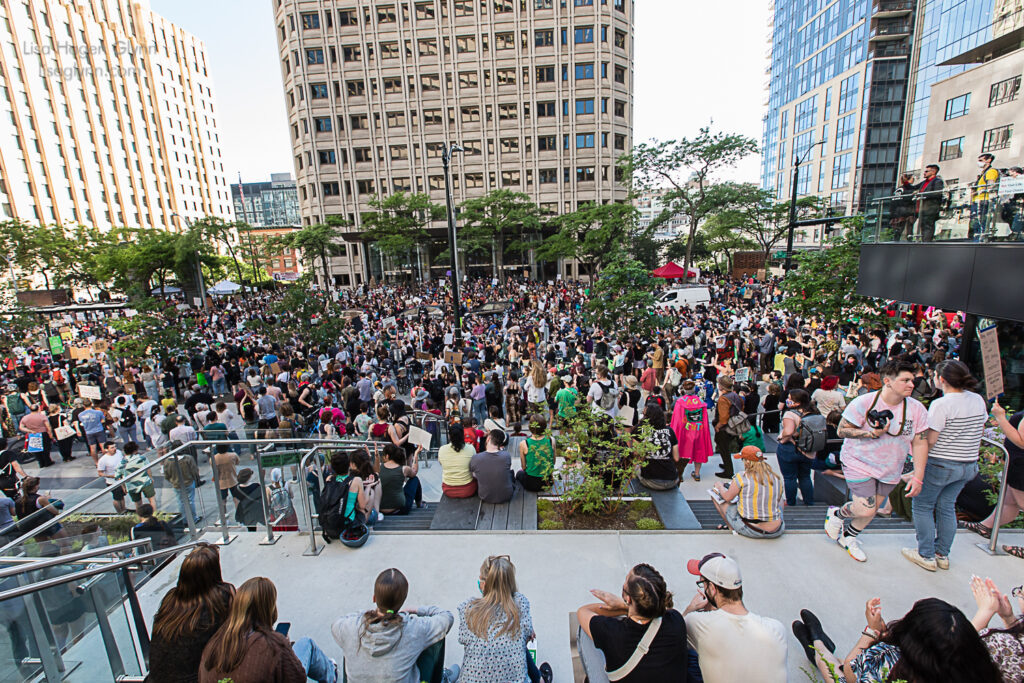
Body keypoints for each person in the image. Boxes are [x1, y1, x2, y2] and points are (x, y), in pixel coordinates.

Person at [825, 360, 929, 562]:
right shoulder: (864, 402)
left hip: (891, 467)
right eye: (905, 380)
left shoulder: (916, 409)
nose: (911, 385)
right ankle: (837, 514)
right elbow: (842, 430)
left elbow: (920, 443)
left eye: (912, 380)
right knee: (866, 508)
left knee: (871, 511)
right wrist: (870, 434)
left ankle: (849, 537)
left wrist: (918, 476)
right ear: (888, 381)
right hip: (859, 462)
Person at [793, 596, 1001, 683]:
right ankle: (818, 643)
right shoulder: (976, 668)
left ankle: (817, 645)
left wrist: (872, 631)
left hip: (855, 675)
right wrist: (986, 612)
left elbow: (850, 671)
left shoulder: (890, 661)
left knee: (835, 671)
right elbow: (954, 642)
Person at [904, 360, 986, 571]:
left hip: (941, 464)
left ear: (941, 379)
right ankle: (942, 554)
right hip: (968, 464)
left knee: (922, 506)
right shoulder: (977, 399)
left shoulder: (942, 404)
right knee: (947, 506)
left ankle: (926, 555)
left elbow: (930, 440)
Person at [200, 576, 337, 683]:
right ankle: (331, 674)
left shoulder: (214, 642)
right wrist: (285, 648)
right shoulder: (272, 645)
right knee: (306, 644)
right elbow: (297, 678)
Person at [332, 568, 457, 683]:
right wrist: (417, 609)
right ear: (402, 601)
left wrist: (368, 614)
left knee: (349, 640)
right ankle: (439, 679)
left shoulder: (352, 626)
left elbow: (337, 623)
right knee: (435, 637)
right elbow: (446, 618)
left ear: (374, 598)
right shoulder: (413, 628)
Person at [576, 563, 691, 682]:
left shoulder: (612, 633)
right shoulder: (676, 620)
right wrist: (629, 607)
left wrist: (622, 606)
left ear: (628, 598)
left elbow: (583, 611)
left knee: (584, 631)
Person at [682, 553, 787, 683]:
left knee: (688, 656)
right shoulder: (776, 628)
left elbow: (670, 634)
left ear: (713, 588)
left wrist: (690, 609)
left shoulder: (697, 623)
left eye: (702, 583)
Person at [458, 555, 550, 683]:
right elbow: (528, 635)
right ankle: (540, 679)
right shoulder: (520, 604)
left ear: (485, 584)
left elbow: (463, 638)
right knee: (517, 643)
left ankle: (539, 679)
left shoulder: (469, 609)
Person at [968, 399, 1024, 556]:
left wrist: (1000, 418)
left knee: (1019, 502)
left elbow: (1022, 441)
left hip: (1021, 466)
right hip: (1016, 464)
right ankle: (986, 526)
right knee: (1009, 502)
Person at [709, 446, 784, 538]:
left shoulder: (742, 477)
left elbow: (727, 497)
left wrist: (719, 486)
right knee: (778, 500)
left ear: (747, 462)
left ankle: (732, 528)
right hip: (777, 529)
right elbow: (779, 500)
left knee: (716, 494)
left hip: (752, 529)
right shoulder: (775, 477)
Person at [969, 575, 1024, 681]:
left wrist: (985, 612)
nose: (1018, 593)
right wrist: (1009, 619)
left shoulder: (999, 643)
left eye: (1021, 593)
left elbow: (958, 651)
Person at [775, 388, 821, 506]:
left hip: (790, 449)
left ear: (797, 402)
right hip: (809, 450)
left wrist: (782, 438)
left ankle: (791, 502)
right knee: (805, 476)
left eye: (790, 398)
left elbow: (788, 431)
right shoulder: (815, 412)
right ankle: (809, 501)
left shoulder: (790, 414)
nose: (787, 400)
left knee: (790, 478)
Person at [670, 380, 712, 482]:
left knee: (681, 452)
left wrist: (673, 433)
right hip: (698, 430)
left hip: (685, 432)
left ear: (684, 390)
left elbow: (677, 421)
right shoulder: (701, 402)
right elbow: (705, 421)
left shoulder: (680, 402)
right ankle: (697, 473)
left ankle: (680, 474)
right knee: (699, 451)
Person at [636, 405, 679, 490]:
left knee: (635, 467)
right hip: (671, 480)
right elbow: (676, 458)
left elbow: (637, 454)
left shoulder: (641, 431)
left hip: (650, 480)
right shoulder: (670, 431)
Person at [470, 429, 514, 504]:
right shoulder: (506, 456)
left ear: (488, 439)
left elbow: (474, 475)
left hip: (485, 496)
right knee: (510, 473)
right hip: (507, 495)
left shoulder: (476, 458)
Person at [379, 443, 422, 515]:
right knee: (415, 479)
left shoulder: (379, 467)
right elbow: (414, 471)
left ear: (387, 456)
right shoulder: (404, 469)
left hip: (380, 509)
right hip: (400, 510)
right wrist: (416, 454)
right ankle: (419, 504)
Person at [516, 414, 555, 493]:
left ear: (530, 427)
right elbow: (553, 462)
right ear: (544, 426)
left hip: (531, 484)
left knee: (519, 474)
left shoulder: (524, 443)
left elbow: (523, 467)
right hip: (547, 482)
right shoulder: (551, 440)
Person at [712, 376, 742, 479]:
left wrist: (717, 426)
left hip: (725, 428)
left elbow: (724, 418)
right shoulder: (735, 395)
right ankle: (727, 465)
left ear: (722, 386)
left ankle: (728, 471)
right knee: (726, 447)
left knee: (723, 448)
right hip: (734, 425)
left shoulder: (723, 399)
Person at [439, 423, 478, 499]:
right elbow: (474, 466)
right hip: (468, 489)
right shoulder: (471, 448)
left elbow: (441, 463)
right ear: (463, 435)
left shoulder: (442, 449)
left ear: (449, 436)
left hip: (448, 490)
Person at [115, 442, 157, 511]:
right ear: (135, 450)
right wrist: (151, 478)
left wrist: (123, 486)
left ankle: (141, 518)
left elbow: (118, 476)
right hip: (145, 482)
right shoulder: (142, 458)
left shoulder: (121, 463)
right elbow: (148, 469)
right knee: (152, 500)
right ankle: (154, 516)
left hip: (131, 485)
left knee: (138, 504)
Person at [971, 153, 1000, 241]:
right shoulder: (983, 173)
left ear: (989, 160)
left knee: (981, 223)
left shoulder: (991, 171)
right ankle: (977, 240)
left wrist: (980, 190)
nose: (979, 163)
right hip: (979, 200)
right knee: (977, 224)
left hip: (984, 201)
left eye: (981, 161)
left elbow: (991, 186)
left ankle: (980, 241)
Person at [914, 164, 944, 242]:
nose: (924, 173)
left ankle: (926, 243)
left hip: (930, 209)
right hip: (922, 208)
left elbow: (937, 193)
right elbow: (913, 188)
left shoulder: (937, 181)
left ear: (933, 172)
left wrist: (922, 195)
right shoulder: (924, 182)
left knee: (928, 227)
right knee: (923, 226)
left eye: (927, 171)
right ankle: (923, 241)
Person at [19, 403, 54, 467]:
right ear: (38, 409)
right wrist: (50, 434)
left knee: (36, 449)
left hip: (32, 434)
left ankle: (41, 462)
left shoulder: (25, 418)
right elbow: (48, 426)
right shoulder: (42, 416)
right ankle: (47, 461)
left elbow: (21, 427)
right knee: (45, 448)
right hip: (43, 433)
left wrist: (29, 430)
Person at [96, 442, 127, 513]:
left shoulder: (118, 452)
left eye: (115, 447)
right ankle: (119, 511)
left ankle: (124, 509)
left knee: (122, 495)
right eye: (112, 447)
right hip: (112, 481)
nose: (114, 449)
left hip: (122, 479)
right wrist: (111, 476)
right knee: (117, 498)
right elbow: (100, 473)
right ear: (106, 449)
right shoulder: (103, 460)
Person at [889, 173, 917, 240]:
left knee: (898, 230)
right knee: (908, 229)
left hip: (896, 212)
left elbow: (893, 201)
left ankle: (895, 242)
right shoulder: (909, 189)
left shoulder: (897, 190)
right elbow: (911, 200)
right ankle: (909, 242)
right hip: (906, 211)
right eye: (913, 179)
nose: (913, 180)